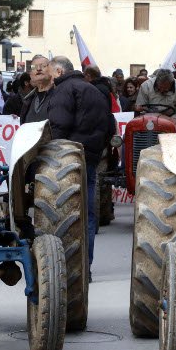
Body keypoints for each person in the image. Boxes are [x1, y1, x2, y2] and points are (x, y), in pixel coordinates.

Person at [46, 56, 112, 276]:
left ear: (58, 71)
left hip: (68, 159)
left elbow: (59, 124)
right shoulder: (94, 90)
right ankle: (86, 266)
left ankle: (63, 268)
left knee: (66, 212)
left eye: (49, 70)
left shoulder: (65, 90)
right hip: (91, 157)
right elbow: (109, 125)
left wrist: (53, 151)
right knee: (87, 214)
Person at [20, 56, 54, 123]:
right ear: (30, 75)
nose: (38, 69)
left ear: (51, 71)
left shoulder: (60, 95)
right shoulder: (28, 100)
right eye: (34, 67)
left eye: (43, 66)